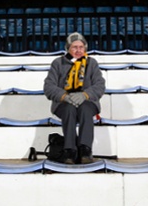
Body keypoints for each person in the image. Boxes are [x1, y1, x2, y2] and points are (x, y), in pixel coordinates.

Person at [44, 32, 106, 164]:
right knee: (69, 109)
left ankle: (85, 150)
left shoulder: (92, 63)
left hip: (87, 101)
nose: (78, 50)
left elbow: (100, 85)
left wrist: (85, 95)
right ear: (68, 48)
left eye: (81, 47)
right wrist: (64, 96)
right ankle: (69, 151)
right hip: (64, 103)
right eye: (74, 47)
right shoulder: (58, 63)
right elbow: (48, 86)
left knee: (85, 109)